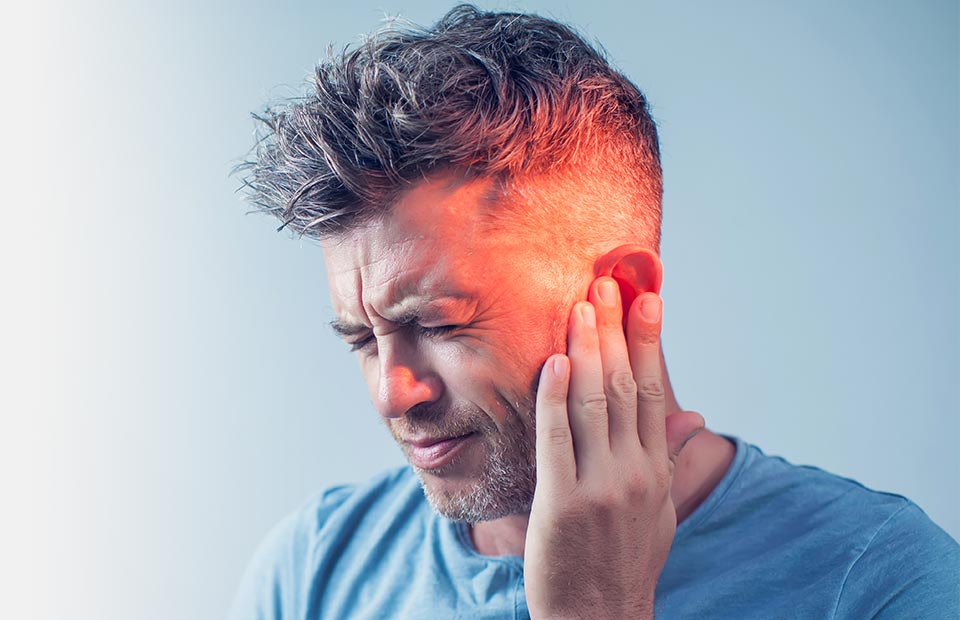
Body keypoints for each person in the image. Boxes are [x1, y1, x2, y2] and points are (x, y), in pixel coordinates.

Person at [230, 5, 959, 619]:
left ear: (624, 296)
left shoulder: (877, 584)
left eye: (441, 323)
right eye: (362, 338)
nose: (393, 392)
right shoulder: (314, 570)